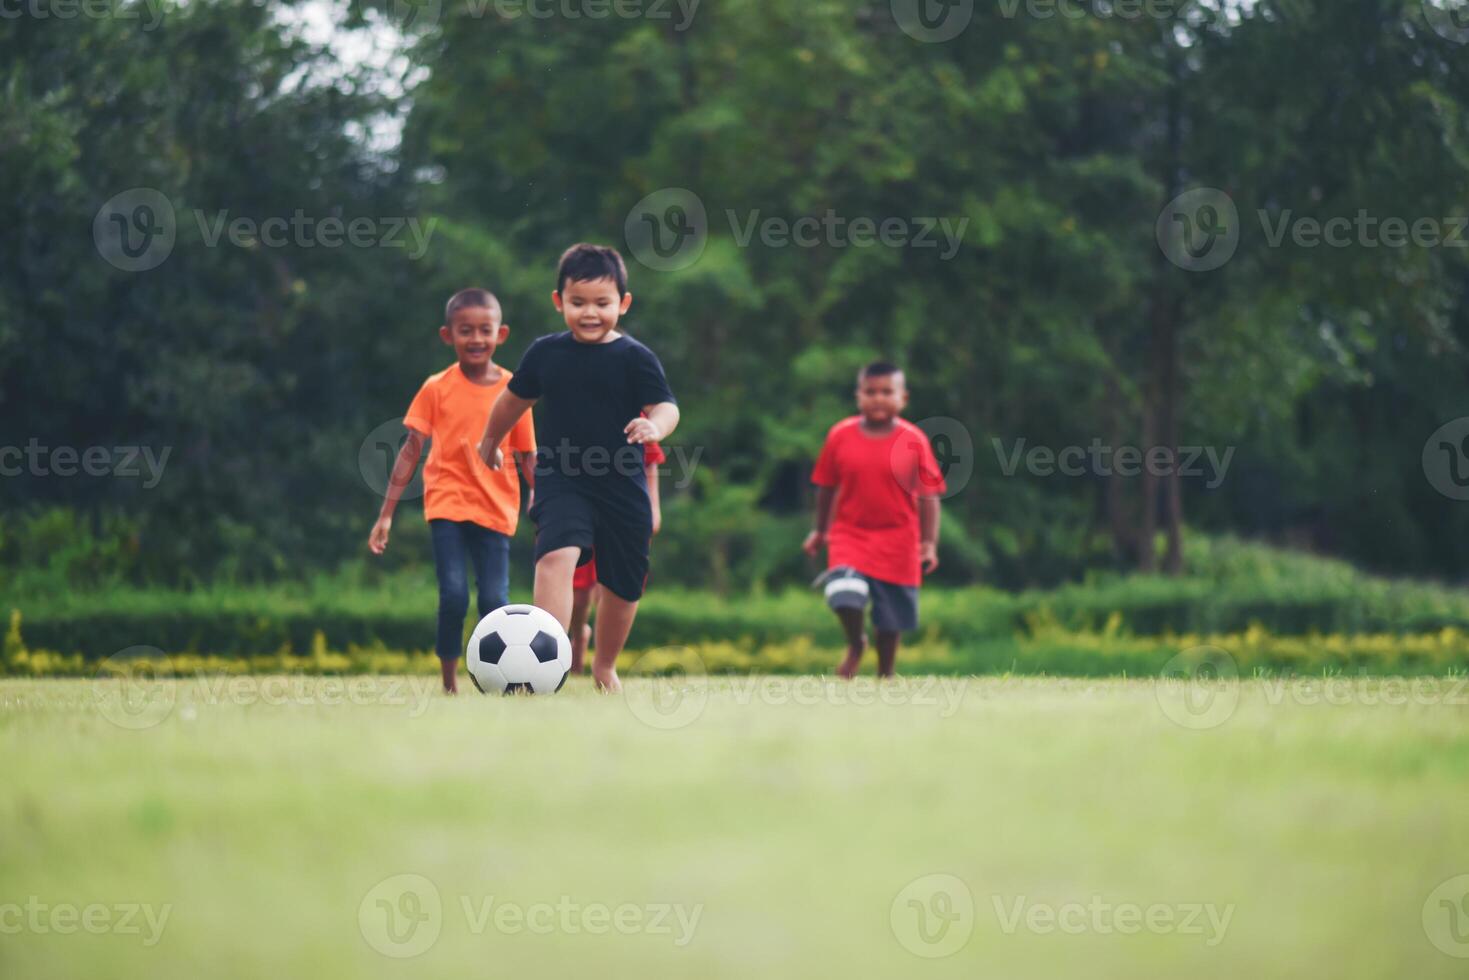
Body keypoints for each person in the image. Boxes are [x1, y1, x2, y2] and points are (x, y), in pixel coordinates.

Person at [477, 244, 679, 692]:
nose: (591, 313)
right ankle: (544, 666)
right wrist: (490, 440)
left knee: (624, 585)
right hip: (561, 478)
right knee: (555, 558)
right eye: (579, 302)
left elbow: (667, 406)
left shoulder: (635, 358)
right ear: (559, 301)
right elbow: (512, 400)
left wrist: (655, 426)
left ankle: (605, 666)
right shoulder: (546, 353)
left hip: (623, 486)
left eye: (602, 303)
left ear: (623, 304)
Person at [369, 288, 537, 694]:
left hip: (496, 508)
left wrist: (543, 502)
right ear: (448, 336)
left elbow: (530, 455)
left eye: (485, 330)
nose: (476, 339)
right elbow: (410, 450)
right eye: (466, 331)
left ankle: (497, 678)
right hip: (446, 504)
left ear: (502, 334)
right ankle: (449, 684)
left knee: (495, 600)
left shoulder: (516, 391)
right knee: (454, 596)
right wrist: (386, 513)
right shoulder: (436, 388)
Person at [802, 362, 946, 678]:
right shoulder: (840, 435)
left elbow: (929, 495)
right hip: (850, 535)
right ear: (858, 396)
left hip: (899, 539)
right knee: (844, 592)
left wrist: (929, 543)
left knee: (890, 619)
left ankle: (886, 673)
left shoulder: (914, 439)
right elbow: (826, 487)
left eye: (886, 392)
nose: (878, 398)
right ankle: (856, 643)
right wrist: (820, 530)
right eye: (870, 392)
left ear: (902, 398)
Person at [568, 434, 664, 673]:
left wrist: (654, 505)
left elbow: (650, 461)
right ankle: (579, 634)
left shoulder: (635, 413)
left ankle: (603, 661)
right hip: (581, 506)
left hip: (623, 509)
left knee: (611, 587)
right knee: (579, 597)